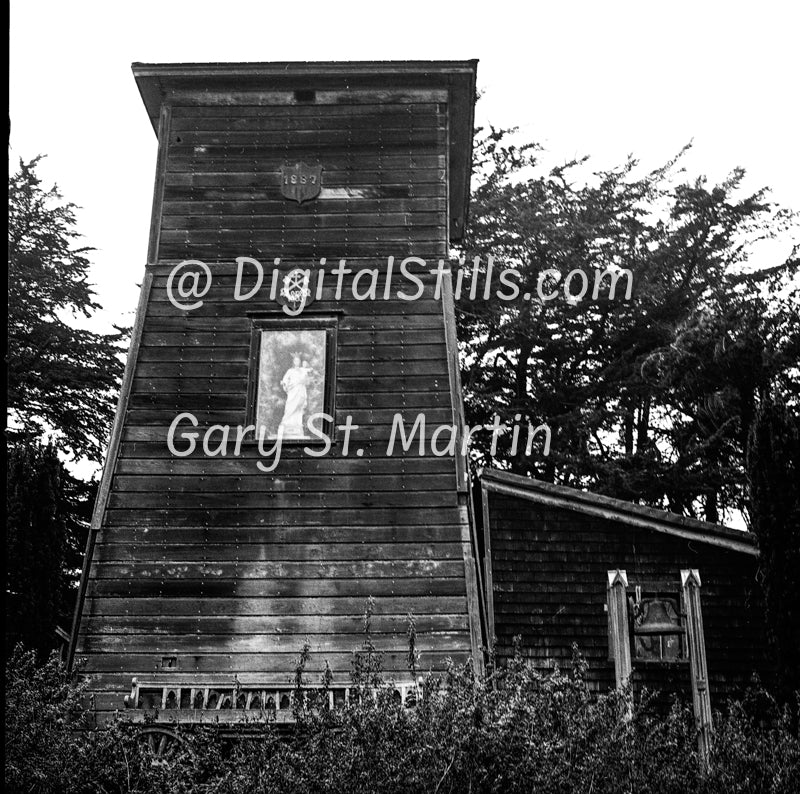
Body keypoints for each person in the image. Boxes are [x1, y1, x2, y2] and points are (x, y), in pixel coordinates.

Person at [278, 354, 310, 438]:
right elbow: (285, 379)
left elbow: (306, 381)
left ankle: (297, 424)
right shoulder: (290, 371)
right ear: (293, 362)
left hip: (300, 391)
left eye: (298, 361)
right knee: (290, 406)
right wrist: (285, 383)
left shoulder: (302, 371)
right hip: (293, 391)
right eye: (295, 361)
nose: (297, 362)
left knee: (299, 408)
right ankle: (286, 422)